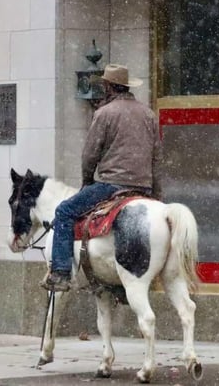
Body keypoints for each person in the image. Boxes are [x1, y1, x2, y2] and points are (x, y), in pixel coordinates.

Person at [41, 64, 161, 292]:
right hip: (143, 187)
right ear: (126, 86)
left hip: (112, 185)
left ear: (108, 86)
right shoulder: (148, 115)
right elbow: (157, 158)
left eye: (104, 85)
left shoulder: (105, 113)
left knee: (64, 211)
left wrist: (87, 180)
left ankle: (61, 273)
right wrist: (155, 193)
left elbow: (90, 154)